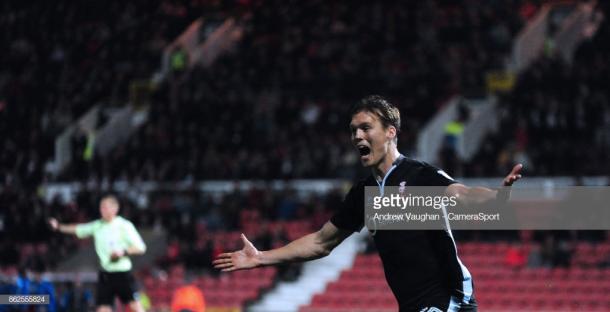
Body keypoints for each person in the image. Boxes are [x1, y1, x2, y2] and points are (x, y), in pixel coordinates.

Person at [213, 95, 523, 311]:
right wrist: (261, 258)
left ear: (390, 133)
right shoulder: (364, 194)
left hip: (448, 302)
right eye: (353, 130)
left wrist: (496, 196)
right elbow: (322, 242)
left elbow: (461, 194)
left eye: (365, 128)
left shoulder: (418, 174)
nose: (357, 136)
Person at [49, 195, 147, 312]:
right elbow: (78, 229)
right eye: (101, 207)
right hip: (105, 274)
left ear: (115, 209)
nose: (102, 210)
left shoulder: (124, 226)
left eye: (105, 207)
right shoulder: (97, 225)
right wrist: (59, 227)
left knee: (135, 306)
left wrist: (123, 252)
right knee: (102, 309)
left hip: (122, 273)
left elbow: (141, 247)